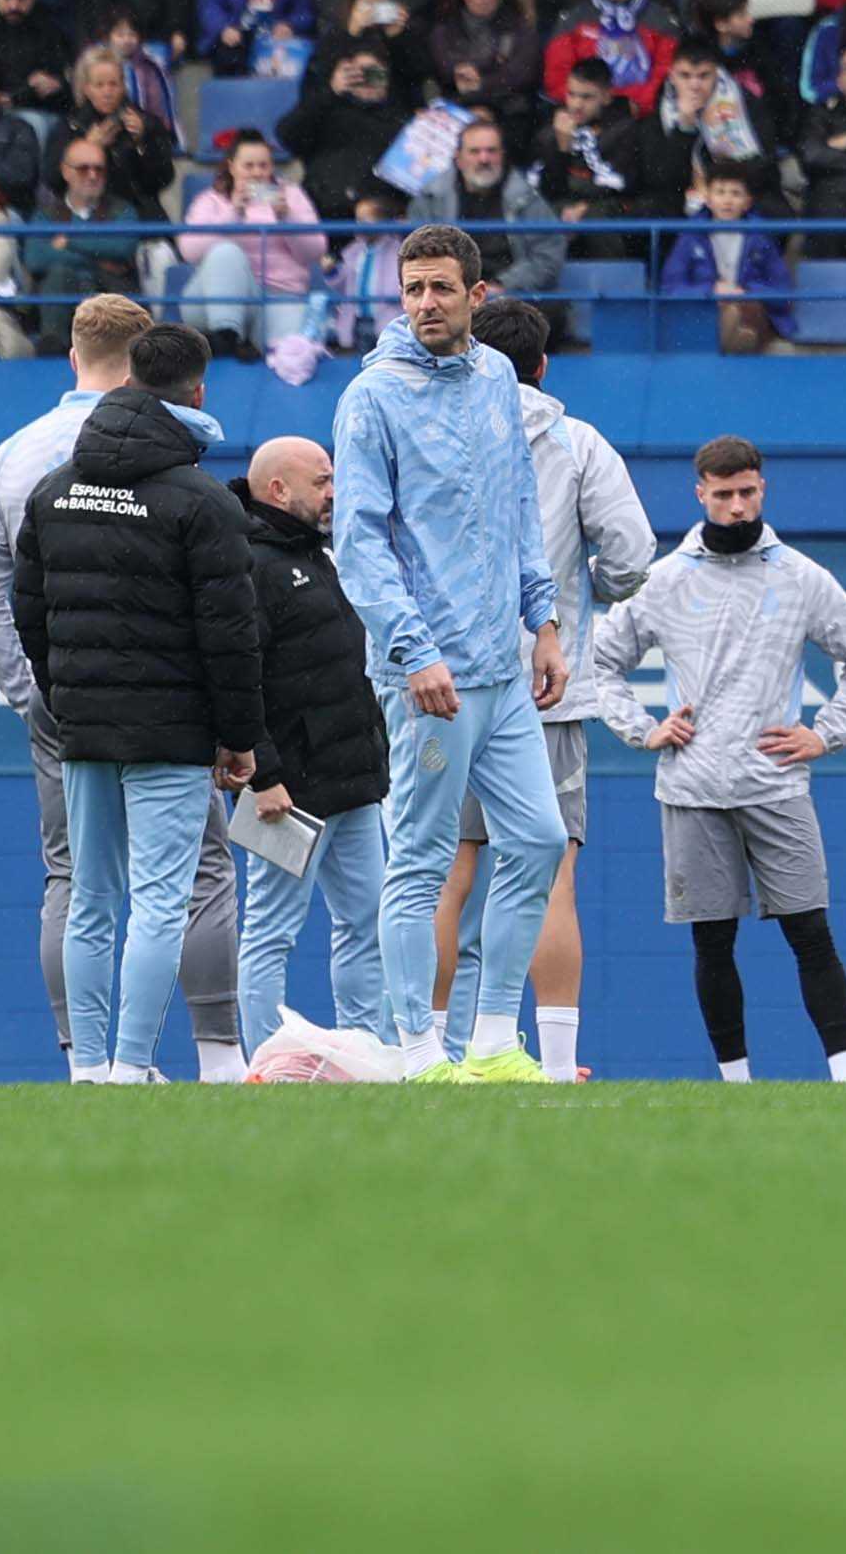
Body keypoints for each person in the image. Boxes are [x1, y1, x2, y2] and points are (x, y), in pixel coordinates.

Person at [333, 226, 570, 1081]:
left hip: (504, 669)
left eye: (440, 288)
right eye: (412, 288)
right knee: (423, 859)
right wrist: (411, 650)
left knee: (540, 841)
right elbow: (358, 541)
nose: (425, 303)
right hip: (427, 676)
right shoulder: (372, 397)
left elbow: (517, 505)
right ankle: (418, 1048)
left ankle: (496, 1039)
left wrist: (542, 621)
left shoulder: (500, 376)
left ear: (479, 296)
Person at [582, 436, 846, 1082]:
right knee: (712, 938)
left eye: (746, 491)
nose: (735, 505)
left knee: (810, 930)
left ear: (763, 489)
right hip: (693, 787)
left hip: (776, 784)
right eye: (722, 494)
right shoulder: (666, 580)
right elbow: (600, 661)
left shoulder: (800, 576)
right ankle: (736, 1083)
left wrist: (828, 731)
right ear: (700, 493)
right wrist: (642, 728)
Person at [8, 315, 266, 1085]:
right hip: (171, 733)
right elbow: (231, 636)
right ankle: (128, 1065)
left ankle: (88, 1069)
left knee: (90, 897)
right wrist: (239, 736)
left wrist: (68, 693)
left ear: (125, 383)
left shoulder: (54, 491)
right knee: (159, 900)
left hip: (82, 727)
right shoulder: (205, 502)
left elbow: (30, 610)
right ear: (199, 390)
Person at [442, 306, 653, 1077]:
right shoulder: (576, 439)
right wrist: (580, 593)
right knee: (550, 870)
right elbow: (632, 554)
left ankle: (433, 1053)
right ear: (543, 366)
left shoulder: (436, 428)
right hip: (545, 685)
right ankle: (557, 1063)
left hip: (449, 681)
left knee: (447, 867)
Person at [217, 431, 404, 1082]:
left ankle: (368, 1049)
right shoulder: (249, 562)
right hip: (287, 792)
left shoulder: (321, 551)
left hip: (353, 781)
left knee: (369, 922)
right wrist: (262, 774)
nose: (333, 490)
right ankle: (270, 1060)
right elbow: (237, 676)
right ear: (278, 488)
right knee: (272, 926)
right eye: (322, 479)